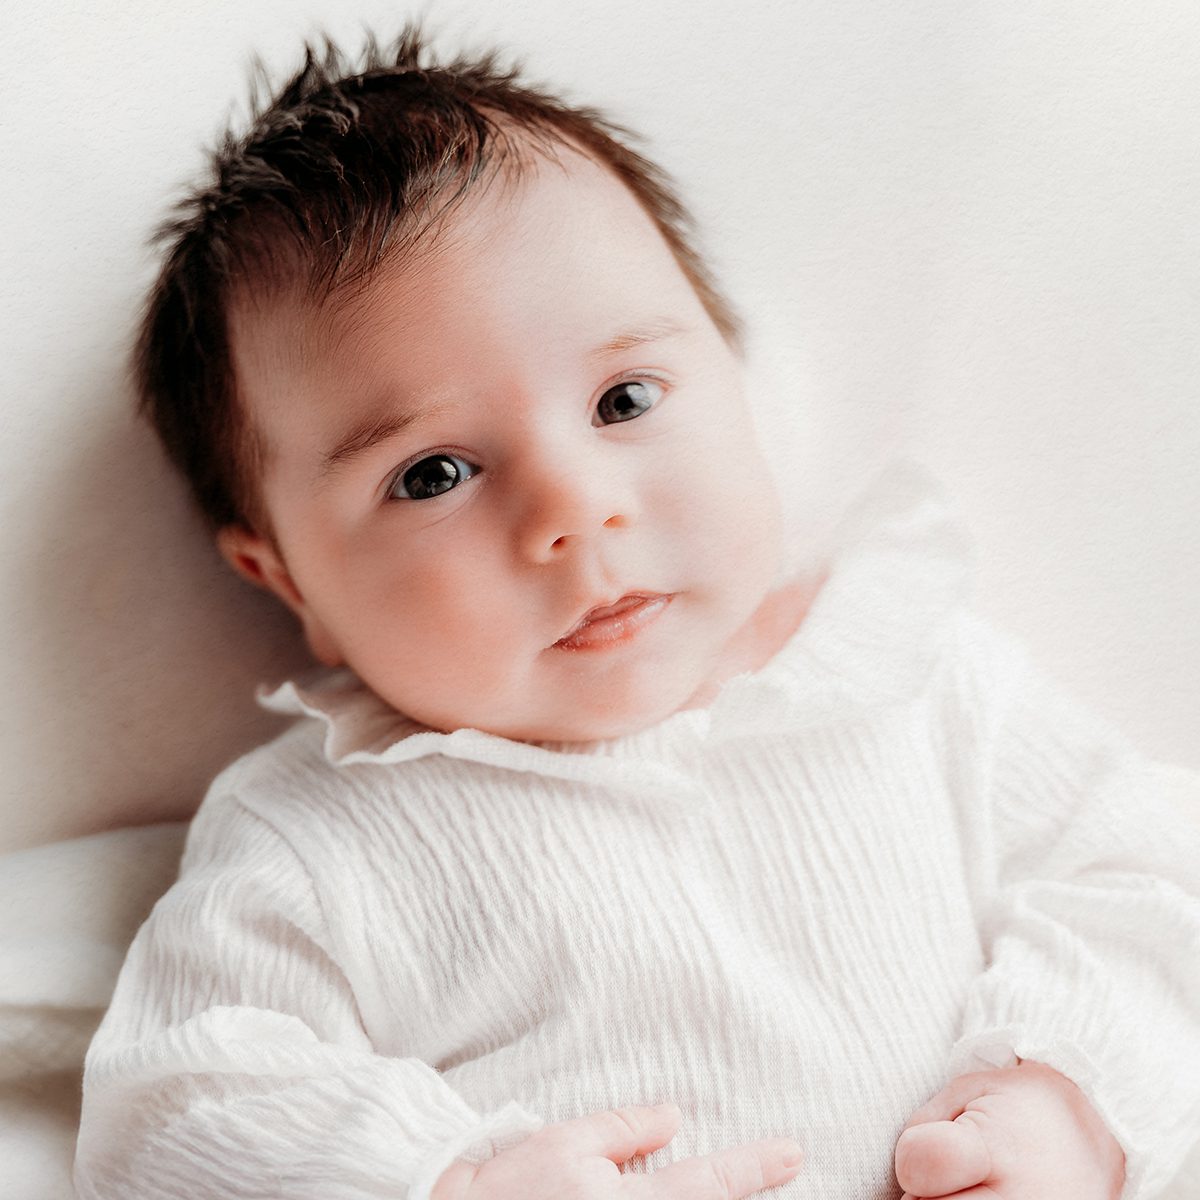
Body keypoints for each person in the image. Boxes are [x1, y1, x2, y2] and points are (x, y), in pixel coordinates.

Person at [73, 24, 1199, 1200]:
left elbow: (1147, 876)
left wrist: (1063, 1098)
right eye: (433, 474)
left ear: (731, 371)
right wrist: (451, 1185)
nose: (575, 509)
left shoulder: (908, 676)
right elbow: (178, 1109)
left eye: (624, 398)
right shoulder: (316, 845)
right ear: (291, 581)